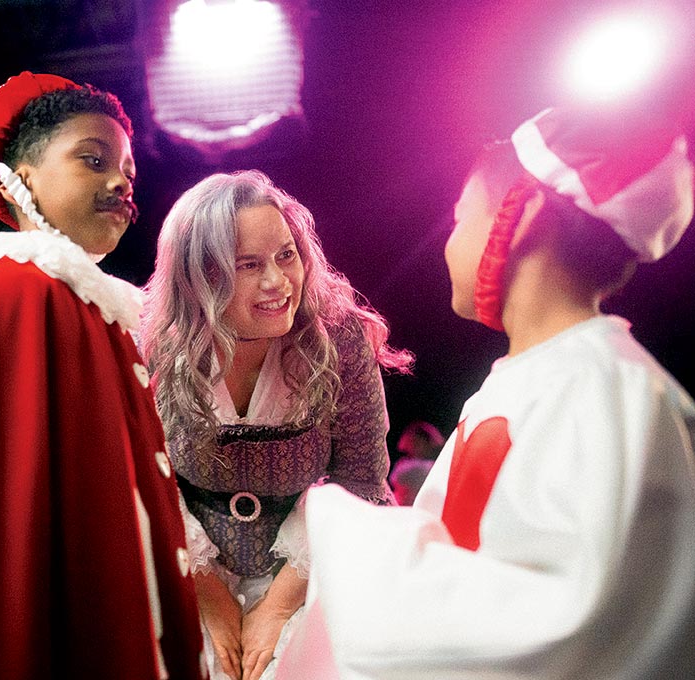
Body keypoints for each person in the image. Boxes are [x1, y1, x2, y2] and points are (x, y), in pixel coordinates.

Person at [277, 105, 695, 679]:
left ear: (520, 217)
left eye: (459, 218)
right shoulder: (534, 378)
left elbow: (570, 629)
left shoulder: (615, 390)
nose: (448, 243)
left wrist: (333, 525)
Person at [0, 71, 207, 680]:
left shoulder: (86, 302)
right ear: (23, 177)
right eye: (93, 160)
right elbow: (16, 520)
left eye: (129, 171)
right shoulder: (18, 287)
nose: (121, 181)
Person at [138, 170, 414, 680]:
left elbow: (362, 479)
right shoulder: (150, 345)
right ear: (199, 276)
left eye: (287, 255)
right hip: (186, 565)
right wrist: (207, 593)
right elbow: (136, 479)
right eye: (249, 265)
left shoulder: (339, 337)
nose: (278, 282)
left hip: (314, 566)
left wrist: (278, 606)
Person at [386, 420, 445, 505]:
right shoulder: (404, 464)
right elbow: (395, 478)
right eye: (415, 442)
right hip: (400, 506)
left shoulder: (431, 466)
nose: (419, 446)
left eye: (422, 442)